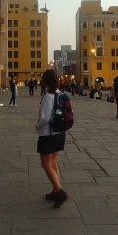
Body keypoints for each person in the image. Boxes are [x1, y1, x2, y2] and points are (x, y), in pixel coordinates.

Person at [36, 69, 69, 208]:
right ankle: (55, 190)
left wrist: (37, 126)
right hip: (60, 133)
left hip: (48, 134)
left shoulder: (48, 96)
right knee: (53, 161)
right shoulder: (62, 94)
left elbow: (44, 117)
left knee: (45, 164)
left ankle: (60, 191)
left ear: (45, 81)